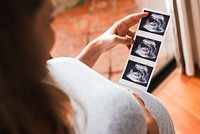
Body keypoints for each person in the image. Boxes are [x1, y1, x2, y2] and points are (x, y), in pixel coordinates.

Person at [0, 0, 175, 134]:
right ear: (19, 36)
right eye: (49, 19)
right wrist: (150, 126)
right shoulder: (119, 122)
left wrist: (97, 46)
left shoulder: (16, 87)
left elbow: (63, 81)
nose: (53, 35)